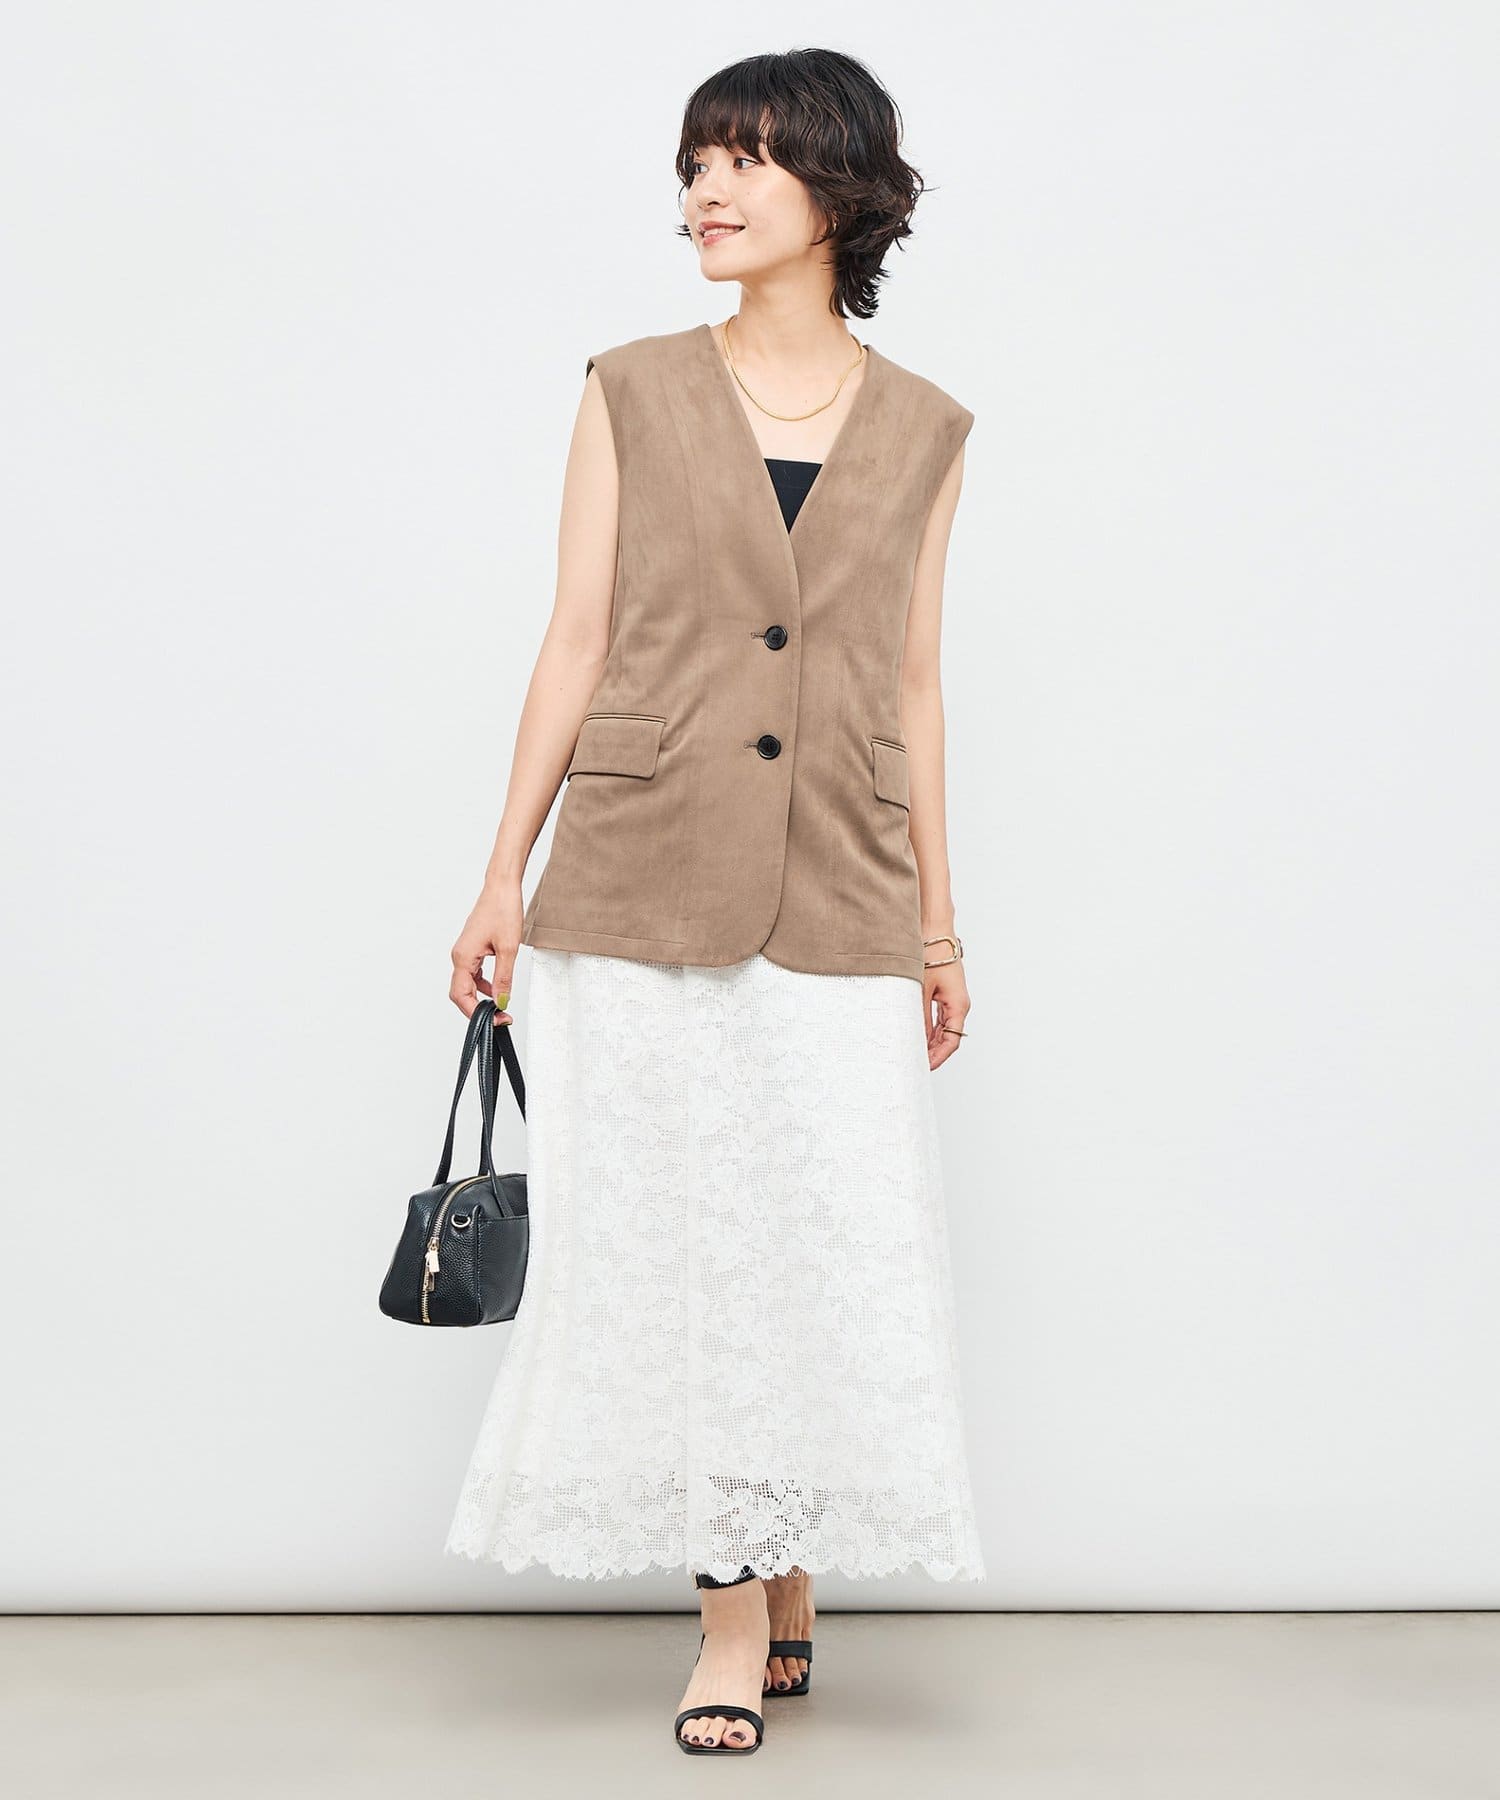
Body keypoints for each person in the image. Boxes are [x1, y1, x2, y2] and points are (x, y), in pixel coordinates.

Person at [442, 47, 986, 1758]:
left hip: (839, 877)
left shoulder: (928, 430)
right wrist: (500, 875)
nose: (708, 191)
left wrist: (940, 926)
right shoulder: (631, 389)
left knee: (810, 1240)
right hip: (641, 871)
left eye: (748, 159)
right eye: (696, 162)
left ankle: (790, 1567)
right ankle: (732, 1621)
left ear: (842, 190)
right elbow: (576, 637)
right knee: (684, 1248)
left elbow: (913, 682)